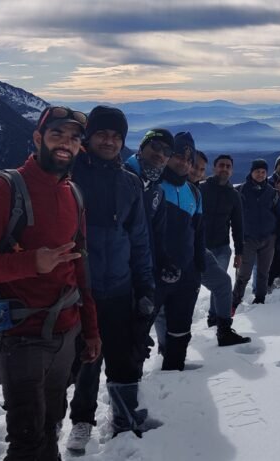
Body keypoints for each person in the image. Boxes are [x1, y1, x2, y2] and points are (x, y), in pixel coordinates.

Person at [0, 106, 101, 460]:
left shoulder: (73, 195)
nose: (65, 144)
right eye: (56, 136)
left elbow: (79, 267)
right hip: (22, 337)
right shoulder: (5, 191)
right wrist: (32, 262)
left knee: (51, 423)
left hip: (65, 333)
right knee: (26, 440)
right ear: (38, 139)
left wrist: (91, 329)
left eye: (73, 138)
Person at [68, 106, 157, 453]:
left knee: (124, 356)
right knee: (87, 360)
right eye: (103, 133)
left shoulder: (129, 183)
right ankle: (81, 421)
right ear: (89, 137)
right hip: (79, 290)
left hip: (120, 287)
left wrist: (145, 285)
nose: (109, 140)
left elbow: (139, 241)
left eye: (116, 136)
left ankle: (124, 416)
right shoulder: (70, 175)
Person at [150, 132, 206, 371]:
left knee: (180, 331)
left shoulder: (194, 193)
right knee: (135, 335)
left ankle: (175, 376)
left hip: (186, 276)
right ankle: (127, 391)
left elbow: (198, 234)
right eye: (178, 155)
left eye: (188, 158)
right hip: (152, 275)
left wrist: (198, 269)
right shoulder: (151, 186)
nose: (183, 162)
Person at [193, 155, 250, 347]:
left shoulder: (234, 195)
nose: (224, 169)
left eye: (228, 166)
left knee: (219, 285)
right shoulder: (201, 188)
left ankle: (213, 318)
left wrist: (239, 252)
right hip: (198, 246)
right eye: (221, 166)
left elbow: (238, 224)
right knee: (192, 286)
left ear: (232, 170)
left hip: (222, 247)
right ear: (214, 168)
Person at [232, 159, 280, 306]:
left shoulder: (273, 193)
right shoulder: (241, 191)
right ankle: (235, 300)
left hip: (268, 238)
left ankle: (260, 299)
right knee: (244, 273)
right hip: (248, 238)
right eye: (257, 171)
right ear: (251, 172)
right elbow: (233, 214)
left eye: (263, 172)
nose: (261, 175)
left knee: (263, 272)